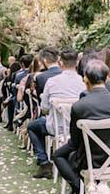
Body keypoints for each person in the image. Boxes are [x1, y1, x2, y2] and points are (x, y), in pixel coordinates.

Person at [52, 59, 110, 194]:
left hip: (92, 161)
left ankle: (82, 191)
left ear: (86, 80)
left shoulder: (79, 106)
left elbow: (75, 143)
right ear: (107, 78)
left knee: (58, 155)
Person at [28, 49, 86, 179]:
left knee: (32, 127)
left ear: (60, 62)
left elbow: (44, 108)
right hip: (78, 127)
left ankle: (44, 162)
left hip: (57, 127)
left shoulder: (52, 82)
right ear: (76, 62)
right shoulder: (83, 82)